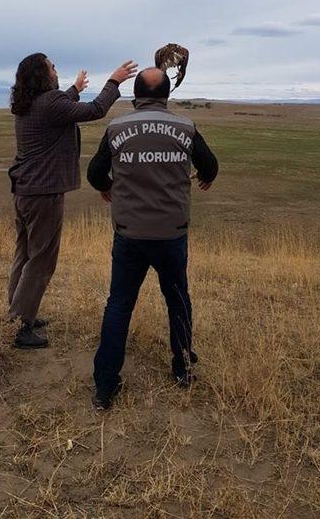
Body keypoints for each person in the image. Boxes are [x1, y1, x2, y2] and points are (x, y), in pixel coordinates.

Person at [87, 67, 218, 410]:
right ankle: (182, 367)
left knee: (119, 304)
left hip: (129, 234)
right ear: (166, 97)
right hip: (171, 234)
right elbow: (211, 165)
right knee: (177, 300)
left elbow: (94, 172)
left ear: (136, 95)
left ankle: (104, 385)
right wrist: (203, 176)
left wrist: (106, 187)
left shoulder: (116, 128)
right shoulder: (185, 127)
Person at [7, 53, 137, 349]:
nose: (56, 70)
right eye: (52, 66)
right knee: (41, 260)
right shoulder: (50, 103)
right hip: (44, 195)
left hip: (25, 191)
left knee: (24, 254)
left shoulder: (27, 104)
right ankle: (20, 325)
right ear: (43, 75)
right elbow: (96, 109)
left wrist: (76, 88)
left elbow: (59, 104)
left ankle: (18, 312)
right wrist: (114, 81)